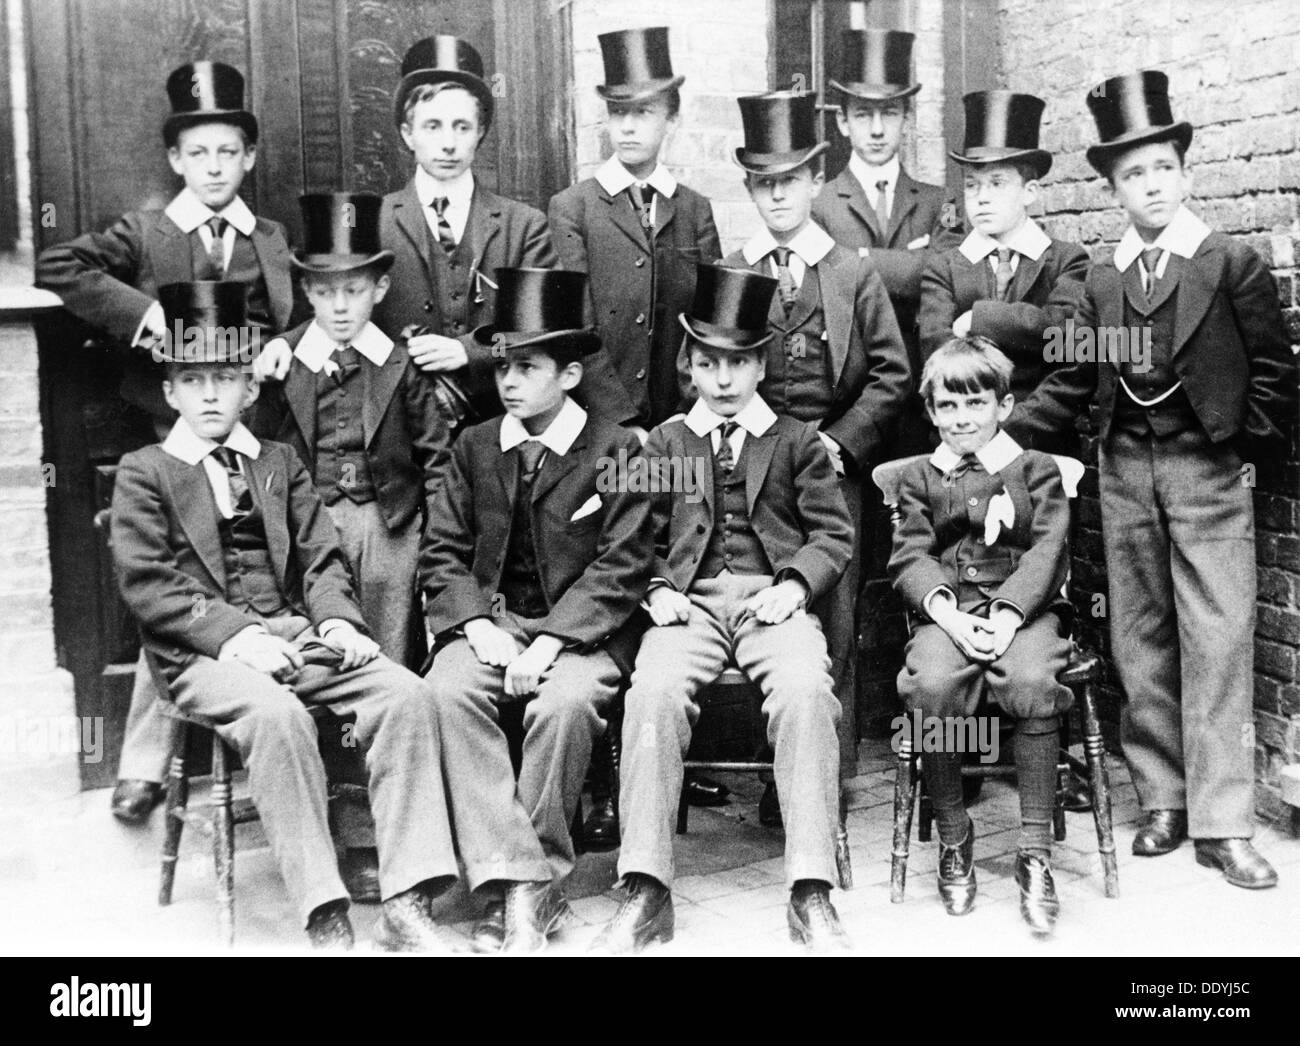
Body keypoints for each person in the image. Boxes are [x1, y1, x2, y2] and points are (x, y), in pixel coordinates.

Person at [110, 281, 458, 950]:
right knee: (278, 715)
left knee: (408, 694)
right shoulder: (144, 471)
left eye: (227, 378)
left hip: (297, 638)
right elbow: (148, 582)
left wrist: (338, 625)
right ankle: (322, 902)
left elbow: (322, 559)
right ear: (170, 392)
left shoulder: (278, 463)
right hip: (202, 658)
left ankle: (408, 899)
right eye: (194, 380)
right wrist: (238, 637)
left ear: (249, 387)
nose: (211, 394)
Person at [1019, 71, 1296, 889]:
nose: (1150, 186)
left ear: (1183, 171)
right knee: (1139, 636)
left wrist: (1245, 447)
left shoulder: (1228, 262)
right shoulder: (1102, 281)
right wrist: (1001, 435)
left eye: (1161, 169)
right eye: (1132, 175)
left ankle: (1224, 821)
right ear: (1114, 188)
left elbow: (1275, 373)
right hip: (1124, 470)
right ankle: (1163, 800)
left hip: (1206, 471)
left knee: (1218, 636)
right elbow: (1071, 378)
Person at [37, 61, 298, 826]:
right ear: (177, 161)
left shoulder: (272, 238)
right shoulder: (148, 233)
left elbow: (318, 307)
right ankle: (146, 761)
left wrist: (288, 342)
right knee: (186, 587)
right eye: (199, 154)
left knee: (252, 579)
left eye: (228, 152)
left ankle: (276, 733)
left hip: (261, 439)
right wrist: (145, 318)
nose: (215, 167)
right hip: (172, 437)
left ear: (248, 158)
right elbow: (60, 265)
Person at [594, 263, 854, 954]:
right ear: (689, 364)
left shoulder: (797, 441)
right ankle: (647, 888)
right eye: (708, 363)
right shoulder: (664, 442)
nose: (723, 380)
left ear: (760, 363)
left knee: (805, 692)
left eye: (737, 364)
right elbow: (630, 536)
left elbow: (834, 534)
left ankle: (811, 889)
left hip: (773, 599)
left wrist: (795, 586)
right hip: (691, 604)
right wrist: (655, 590)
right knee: (650, 693)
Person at [419, 268, 653, 953]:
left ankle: (534, 885)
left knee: (563, 707)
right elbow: (442, 551)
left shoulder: (618, 448)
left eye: (528, 367)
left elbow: (623, 564)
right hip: (493, 619)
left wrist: (549, 643)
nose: (509, 382)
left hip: (582, 632)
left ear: (571, 375)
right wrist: (476, 625)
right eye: (502, 368)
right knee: (446, 690)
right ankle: (515, 881)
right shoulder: (473, 446)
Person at [548, 25, 727, 838]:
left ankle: (672, 765)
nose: (630, 126)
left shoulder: (694, 210)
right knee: (613, 578)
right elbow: (575, 330)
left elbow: (712, 330)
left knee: (675, 577)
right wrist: (628, 431)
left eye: (645, 111)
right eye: (618, 111)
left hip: (681, 433)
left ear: (670, 118)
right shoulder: (575, 208)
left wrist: (687, 420)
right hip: (612, 433)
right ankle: (594, 785)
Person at [713, 90, 911, 818]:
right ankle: (773, 773)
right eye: (764, 183)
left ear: (812, 184)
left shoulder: (851, 272)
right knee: (771, 613)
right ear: (751, 190)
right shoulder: (734, 270)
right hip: (756, 473)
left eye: (790, 180)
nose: (778, 196)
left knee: (835, 620)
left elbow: (894, 373)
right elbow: (700, 373)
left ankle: (822, 777)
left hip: (829, 465)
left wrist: (841, 440)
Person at [890, 336, 1074, 934]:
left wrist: (1006, 613)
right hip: (949, 613)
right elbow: (910, 556)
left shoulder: (1034, 468)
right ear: (931, 411)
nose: (961, 418)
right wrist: (948, 615)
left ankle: (1035, 852)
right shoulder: (921, 477)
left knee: (1029, 678)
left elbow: (1048, 550)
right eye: (947, 406)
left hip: (1024, 612)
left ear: (1004, 404)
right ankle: (953, 834)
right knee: (934, 683)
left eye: (975, 403)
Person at [253, 192, 449, 669]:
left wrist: (436, 540)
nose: (339, 306)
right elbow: (262, 453)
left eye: (354, 291)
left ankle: (387, 734)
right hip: (309, 521)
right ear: (305, 290)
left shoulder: (401, 366)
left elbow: (437, 461)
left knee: (388, 644)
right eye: (324, 292)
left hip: (389, 523)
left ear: (380, 289)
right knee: (317, 633)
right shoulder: (286, 364)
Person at [813, 27, 963, 452]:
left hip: (927, 397)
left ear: (906, 118)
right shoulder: (820, 205)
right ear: (843, 121)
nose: (877, 129)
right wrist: (912, 265)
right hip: (851, 402)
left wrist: (858, 258)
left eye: (890, 114)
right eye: (863, 114)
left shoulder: (942, 201)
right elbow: (826, 295)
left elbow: (948, 273)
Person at [918, 90, 1088, 455]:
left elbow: (1068, 351)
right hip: (961, 445)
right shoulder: (945, 266)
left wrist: (979, 319)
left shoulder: (1066, 262)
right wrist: (979, 431)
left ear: (1030, 191)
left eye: (997, 184)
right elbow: (937, 352)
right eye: (971, 185)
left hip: (1042, 445)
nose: (981, 198)